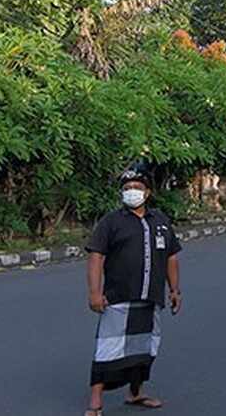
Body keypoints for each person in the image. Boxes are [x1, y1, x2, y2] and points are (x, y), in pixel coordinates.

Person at [85, 163, 182, 416]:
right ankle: (95, 403)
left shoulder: (160, 221)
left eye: (137, 187)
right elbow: (96, 256)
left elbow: (171, 256)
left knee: (144, 348)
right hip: (118, 298)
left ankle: (136, 393)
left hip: (150, 297)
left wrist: (175, 290)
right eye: (127, 187)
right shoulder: (111, 222)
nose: (132, 191)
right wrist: (95, 293)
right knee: (107, 349)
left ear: (147, 192)